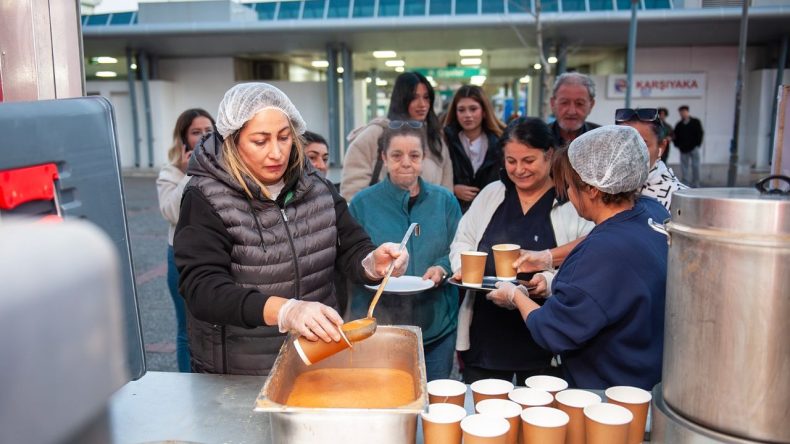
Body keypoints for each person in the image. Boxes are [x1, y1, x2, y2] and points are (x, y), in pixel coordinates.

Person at [174, 83, 408, 376]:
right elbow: (202, 289)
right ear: (232, 141)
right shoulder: (205, 196)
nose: (276, 153)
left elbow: (349, 244)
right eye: (260, 141)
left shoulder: (315, 185)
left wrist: (371, 262)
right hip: (239, 368)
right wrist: (286, 311)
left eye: (284, 138)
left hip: (315, 355)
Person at [487, 125, 669, 390]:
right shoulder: (650, 212)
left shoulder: (602, 252)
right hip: (650, 373)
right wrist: (548, 259)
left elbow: (552, 330)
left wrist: (515, 295)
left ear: (593, 189)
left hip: (610, 390)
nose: (569, 196)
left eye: (570, 186)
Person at [449, 117, 593, 384]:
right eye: (511, 161)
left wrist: (547, 282)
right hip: (487, 333)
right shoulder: (493, 193)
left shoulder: (569, 202)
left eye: (529, 160)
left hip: (543, 336)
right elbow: (463, 239)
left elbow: (583, 261)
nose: (519, 170)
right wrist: (463, 267)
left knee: (540, 414)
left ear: (549, 155)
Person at [349, 124, 462, 381]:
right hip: (379, 328)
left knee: (435, 401)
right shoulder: (362, 204)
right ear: (383, 158)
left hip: (436, 325)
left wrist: (442, 267)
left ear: (424, 159)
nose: (406, 163)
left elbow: (459, 249)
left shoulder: (445, 201)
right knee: (383, 400)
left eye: (414, 155)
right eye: (397, 155)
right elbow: (351, 258)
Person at [156, 108, 215, 372]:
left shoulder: (225, 167)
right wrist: (192, 171)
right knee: (186, 327)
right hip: (181, 255)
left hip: (216, 253)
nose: (203, 137)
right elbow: (171, 212)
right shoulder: (171, 173)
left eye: (209, 131)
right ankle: (187, 381)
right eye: (196, 132)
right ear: (183, 139)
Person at [340, 72, 453, 201]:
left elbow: (446, 191)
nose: (422, 104)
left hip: (427, 219)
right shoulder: (375, 134)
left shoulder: (435, 139)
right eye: (414, 98)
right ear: (401, 99)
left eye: (426, 97)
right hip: (381, 218)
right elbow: (352, 192)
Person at [443, 85, 507, 212]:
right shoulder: (444, 139)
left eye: (473, 109)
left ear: (484, 111)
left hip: (492, 212)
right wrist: (453, 188)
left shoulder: (502, 141)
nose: (467, 115)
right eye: (461, 110)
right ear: (455, 113)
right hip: (455, 213)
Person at [615, 108, 687, 210]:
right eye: (623, 143)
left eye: (641, 144)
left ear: (661, 147)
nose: (630, 151)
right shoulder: (603, 190)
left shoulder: (680, 199)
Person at [549, 72, 600, 147]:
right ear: (553, 103)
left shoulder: (602, 137)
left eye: (579, 103)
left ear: (591, 105)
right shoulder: (538, 137)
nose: (571, 111)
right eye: (564, 102)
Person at [673, 105, 704, 188]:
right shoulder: (679, 125)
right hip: (683, 149)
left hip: (694, 148)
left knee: (695, 166)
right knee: (684, 166)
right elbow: (675, 136)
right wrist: (678, 145)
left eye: (683, 112)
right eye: (681, 113)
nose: (682, 114)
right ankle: (685, 182)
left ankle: (696, 182)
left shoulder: (695, 122)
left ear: (687, 112)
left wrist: (698, 144)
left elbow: (700, 133)